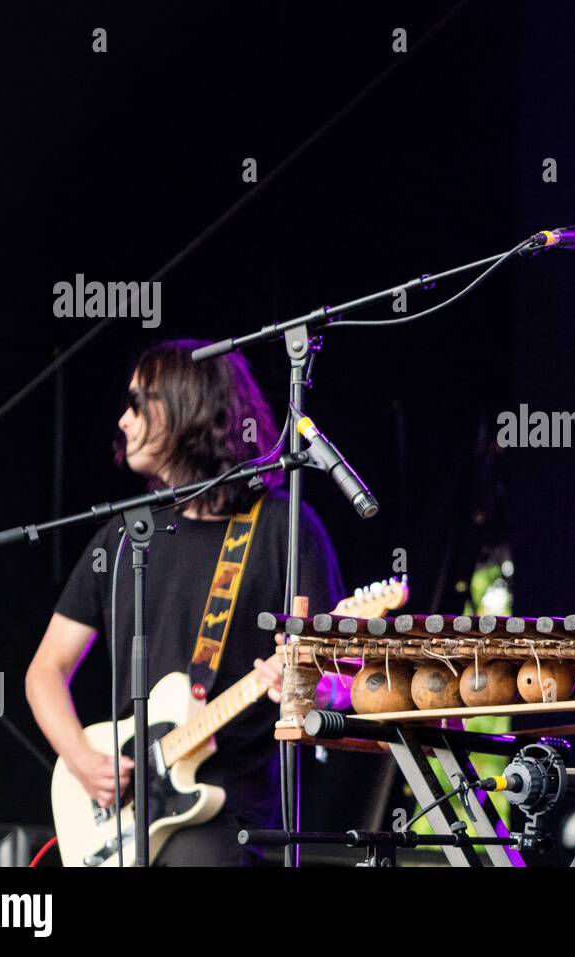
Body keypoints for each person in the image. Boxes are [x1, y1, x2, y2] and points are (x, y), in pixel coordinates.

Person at [25, 339, 343, 865]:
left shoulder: (281, 530)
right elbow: (45, 672)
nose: (123, 421)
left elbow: (339, 678)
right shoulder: (125, 536)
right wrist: (82, 759)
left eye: (138, 404)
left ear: (186, 407)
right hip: (123, 813)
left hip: (230, 812)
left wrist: (310, 688)